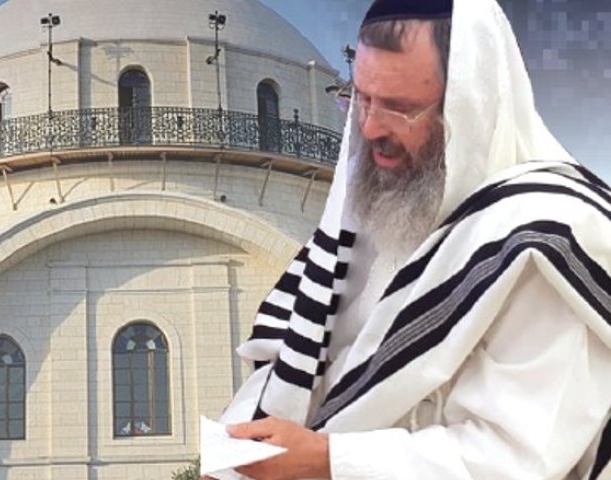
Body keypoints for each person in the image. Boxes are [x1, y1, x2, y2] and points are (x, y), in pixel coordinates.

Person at [203, 0, 611, 479]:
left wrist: (328, 460)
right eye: (360, 99)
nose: (370, 127)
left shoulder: (546, 238)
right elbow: (293, 362)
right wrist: (238, 452)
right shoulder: (372, 215)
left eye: (400, 108)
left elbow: (517, 456)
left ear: (471, 106)